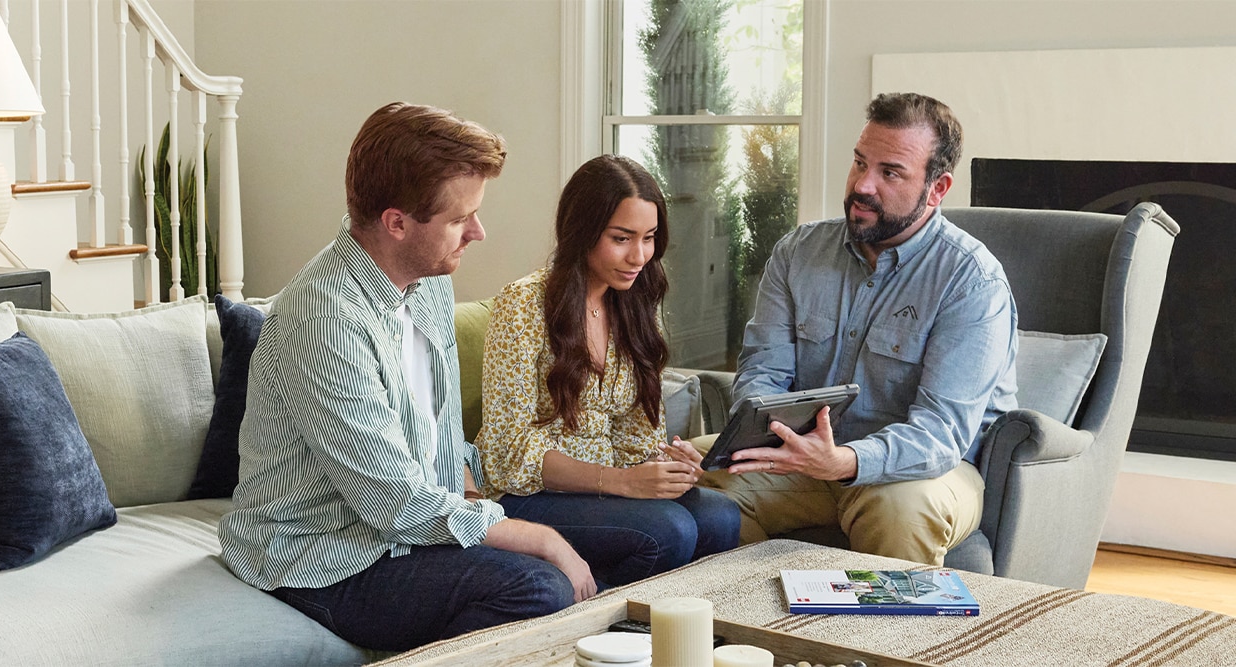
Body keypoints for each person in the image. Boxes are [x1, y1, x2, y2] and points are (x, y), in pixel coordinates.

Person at [218, 102, 597, 652]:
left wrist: (475, 501)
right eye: (460, 219)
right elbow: (393, 502)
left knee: (647, 542)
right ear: (396, 223)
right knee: (539, 586)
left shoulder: (428, 277)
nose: (478, 232)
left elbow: (439, 432)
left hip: (409, 529)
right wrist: (537, 539)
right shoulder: (324, 318)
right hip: (322, 555)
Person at [701, 92, 1019, 566]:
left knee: (901, 511)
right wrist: (768, 434)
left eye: (890, 173)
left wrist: (845, 461)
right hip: (803, 457)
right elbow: (762, 372)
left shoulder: (972, 281)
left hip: (925, 470)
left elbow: (941, 434)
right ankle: (753, 610)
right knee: (691, 476)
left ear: (937, 188)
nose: (862, 185)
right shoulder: (797, 252)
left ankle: (885, 621)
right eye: (859, 163)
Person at [477, 155, 742, 587]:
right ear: (582, 231)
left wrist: (668, 465)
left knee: (721, 516)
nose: (638, 256)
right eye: (621, 238)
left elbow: (637, 437)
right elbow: (509, 451)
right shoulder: (522, 305)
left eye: (649, 238)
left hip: (613, 491)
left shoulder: (635, 304)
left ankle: (673, 622)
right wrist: (624, 483)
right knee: (670, 530)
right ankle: (604, 614)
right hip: (531, 494)